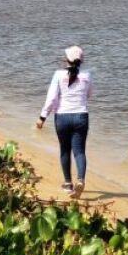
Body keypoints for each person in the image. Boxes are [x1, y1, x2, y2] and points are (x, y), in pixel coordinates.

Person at [36, 45, 92, 198]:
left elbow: (52, 98)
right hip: (81, 116)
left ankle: (68, 184)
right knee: (79, 151)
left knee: (65, 150)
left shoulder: (58, 75)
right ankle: (80, 179)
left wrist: (42, 117)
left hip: (62, 117)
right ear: (81, 61)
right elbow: (89, 95)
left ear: (65, 60)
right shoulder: (87, 75)